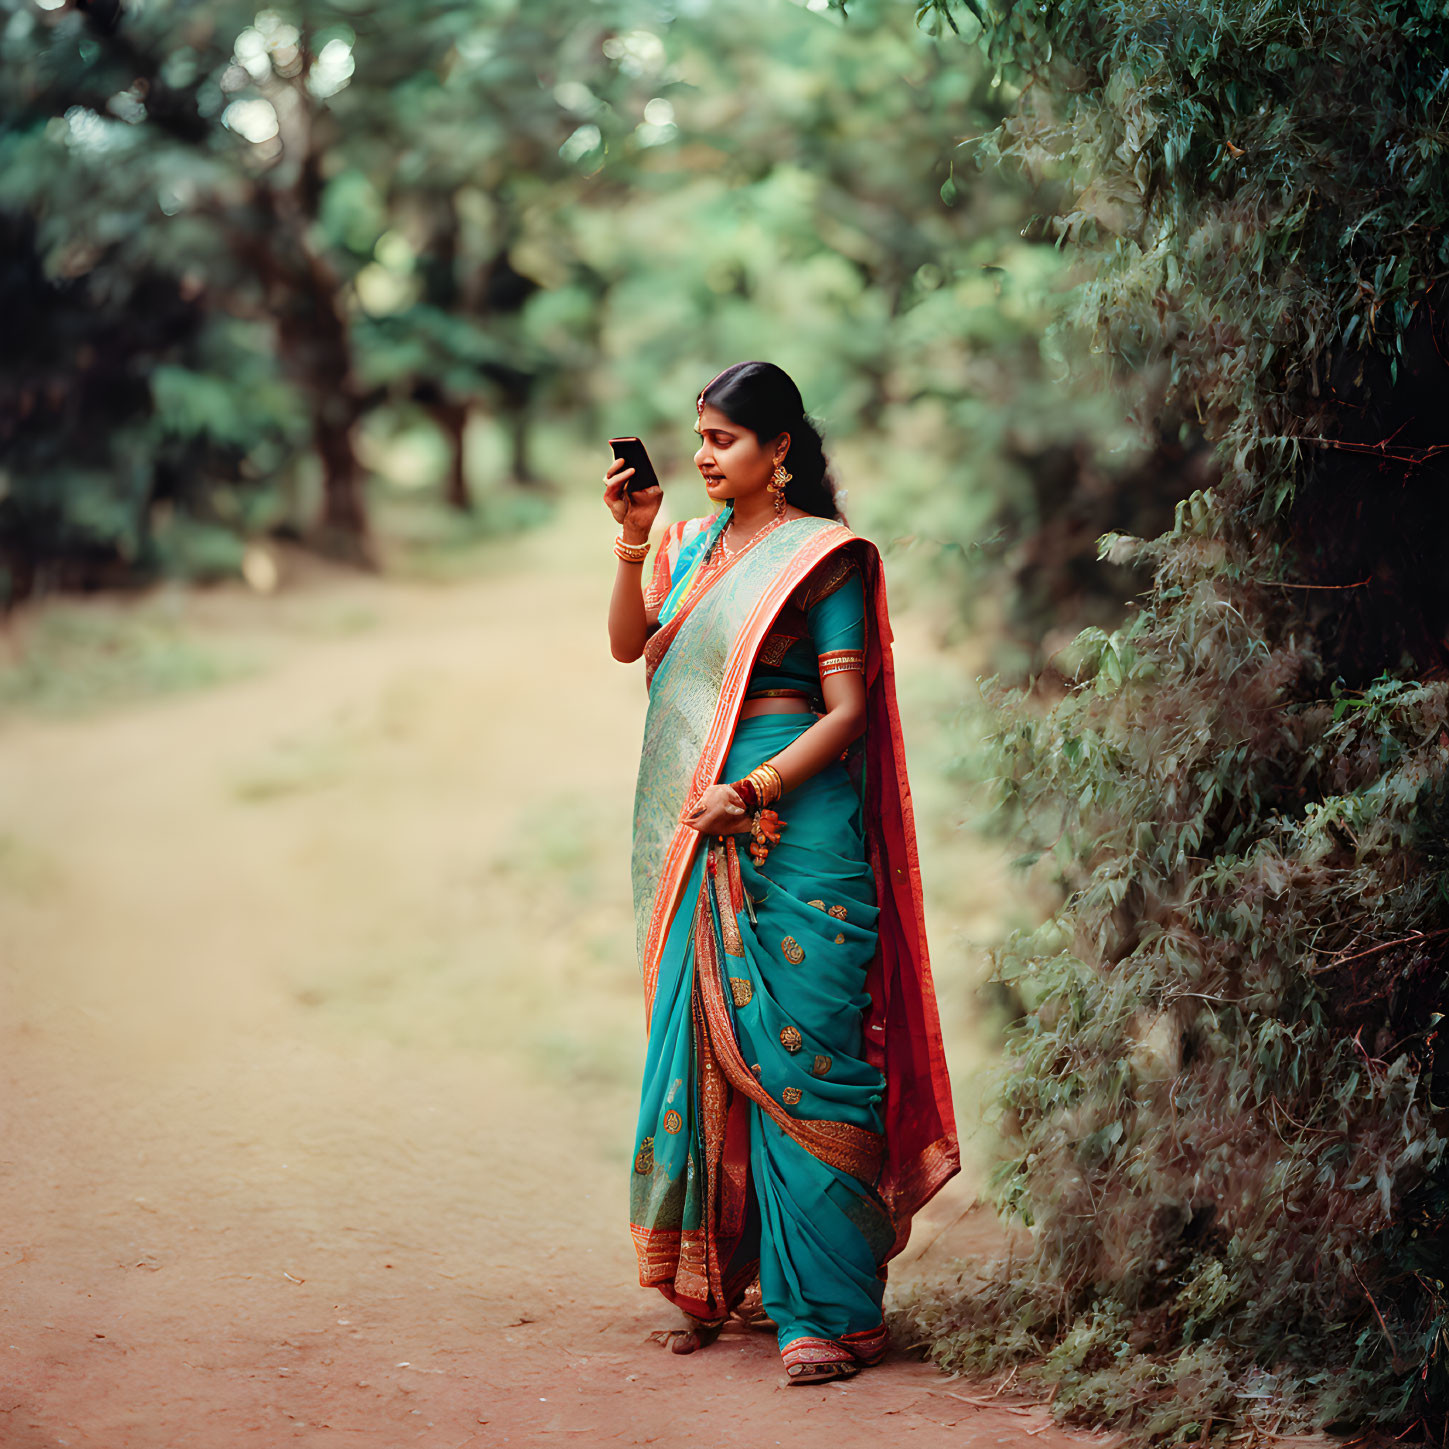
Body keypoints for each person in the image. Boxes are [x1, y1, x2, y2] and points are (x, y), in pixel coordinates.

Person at [603, 360, 958, 1385]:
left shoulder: (824, 560)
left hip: (795, 827)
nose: (706, 456)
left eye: (724, 439)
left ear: (780, 450)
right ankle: (716, 1279)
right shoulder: (691, 546)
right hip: (703, 831)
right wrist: (633, 541)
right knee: (709, 1048)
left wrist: (750, 793)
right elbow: (634, 647)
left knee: (809, 1050)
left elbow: (845, 714)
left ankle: (826, 1312)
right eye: (700, 438)